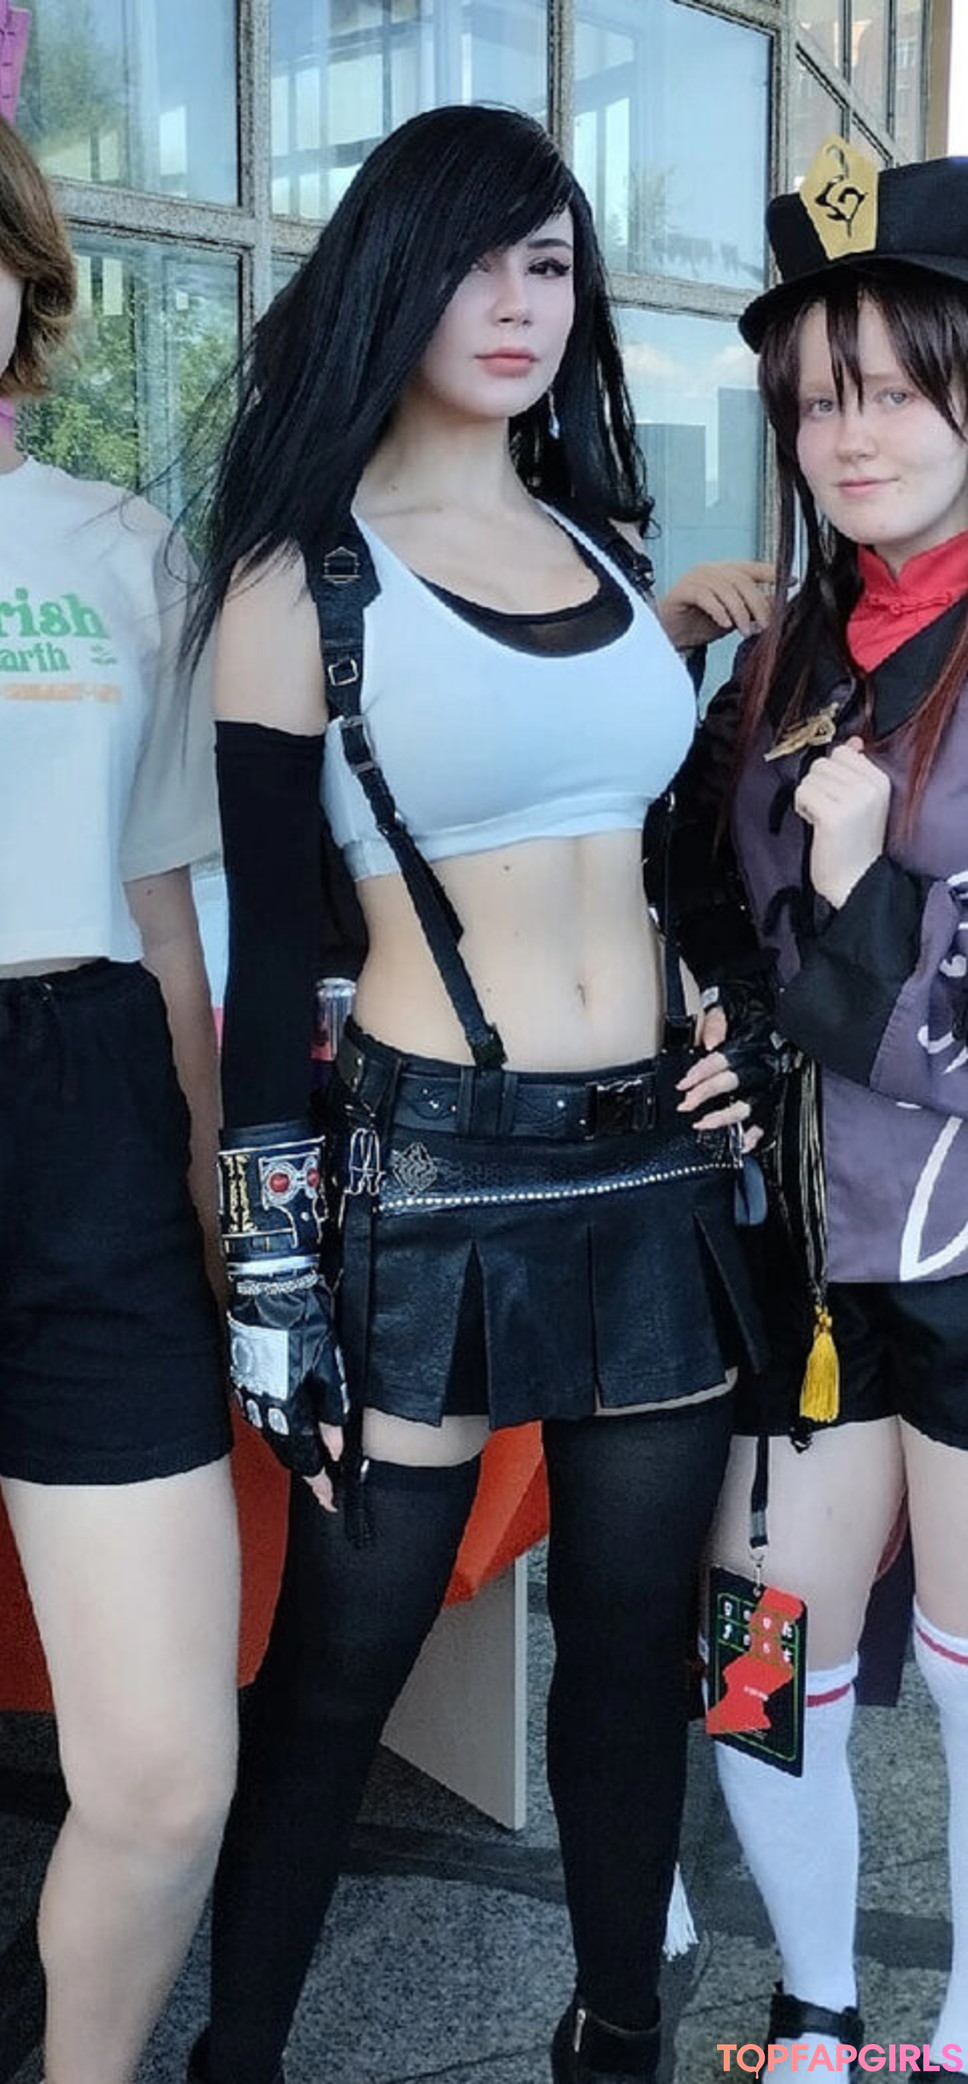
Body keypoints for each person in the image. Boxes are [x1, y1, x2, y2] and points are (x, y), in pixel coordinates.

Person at [189, 103, 779, 2084]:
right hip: (433, 1177)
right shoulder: (301, 583)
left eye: (551, 263)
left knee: (631, 1660)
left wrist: (734, 1023)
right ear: (391, 275)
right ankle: (237, 2055)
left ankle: (618, 2036)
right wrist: (271, 1273)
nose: (519, 304)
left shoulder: (604, 548)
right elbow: (271, 960)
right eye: (474, 260)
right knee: (338, 1672)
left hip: (656, 1172)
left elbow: (658, 860)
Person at [0, 67, 240, 2084]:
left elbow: (164, 902)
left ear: (26, 271)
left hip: (97, 1104)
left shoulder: (128, 547)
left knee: (168, 1770)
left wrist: (209, 1191)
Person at [671, 144, 968, 2072]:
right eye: (813, 397)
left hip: (959, 1251)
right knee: (756, 1654)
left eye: (895, 388)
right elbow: (696, 889)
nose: (851, 435)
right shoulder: (787, 647)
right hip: (800, 1251)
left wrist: (860, 902)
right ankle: (816, 2006)